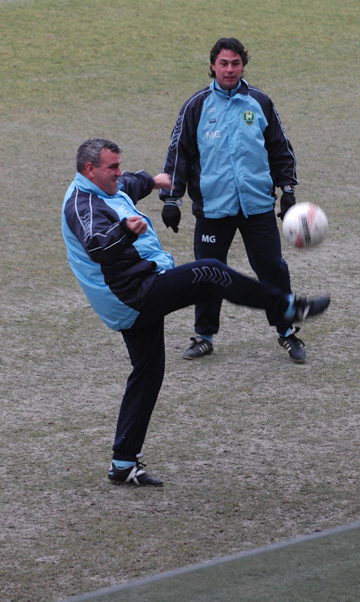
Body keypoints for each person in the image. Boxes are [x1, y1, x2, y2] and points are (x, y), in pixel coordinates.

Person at [62, 138, 330, 487]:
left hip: (133, 288)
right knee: (209, 272)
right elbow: (99, 245)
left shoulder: (104, 186)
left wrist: (154, 180)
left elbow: (127, 184)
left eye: (118, 165)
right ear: (89, 170)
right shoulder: (83, 205)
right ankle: (288, 307)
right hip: (132, 293)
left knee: (147, 374)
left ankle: (123, 463)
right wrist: (125, 232)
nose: (119, 172)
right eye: (112, 167)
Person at [160, 37, 310, 363]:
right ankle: (204, 336)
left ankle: (286, 333)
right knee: (207, 273)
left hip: (257, 205)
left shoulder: (259, 102)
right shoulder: (196, 106)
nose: (230, 69)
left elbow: (280, 149)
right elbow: (179, 154)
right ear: (212, 65)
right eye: (224, 63)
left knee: (272, 268)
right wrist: (172, 200)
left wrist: (288, 191)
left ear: (243, 66)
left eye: (236, 63)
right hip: (213, 208)